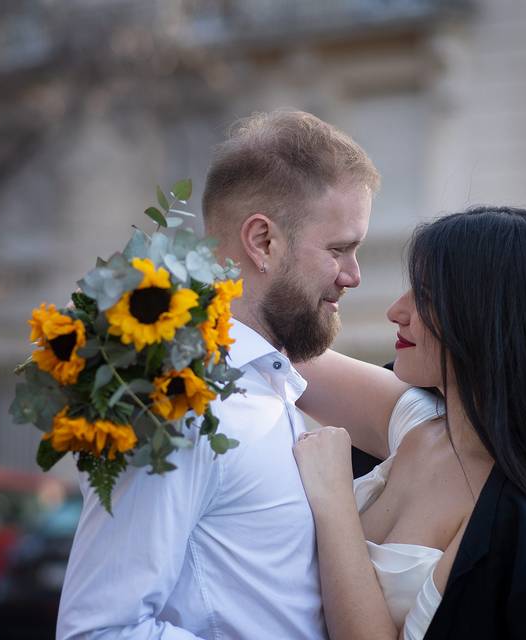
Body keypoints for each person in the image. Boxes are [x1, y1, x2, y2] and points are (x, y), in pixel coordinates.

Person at [56, 110, 379, 639]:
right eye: (340, 249)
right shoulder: (179, 403)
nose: (353, 276)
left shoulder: (273, 386)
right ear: (263, 242)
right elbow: (98, 630)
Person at [293, 207, 526, 639]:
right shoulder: (421, 420)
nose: (397, 310)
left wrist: (334, 499)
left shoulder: (507, 513)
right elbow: (275, 355)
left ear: (490, 317)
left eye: (428, 295)